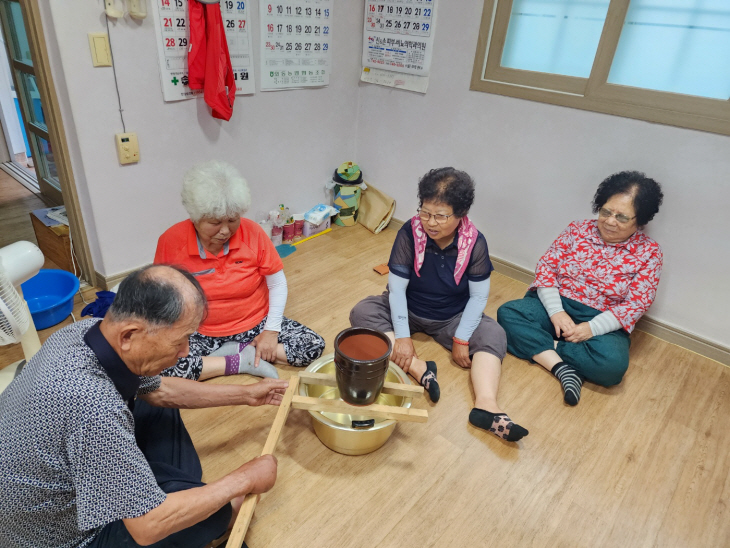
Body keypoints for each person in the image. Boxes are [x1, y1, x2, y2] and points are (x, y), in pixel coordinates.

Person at [0, 265, 289, 547]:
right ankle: (177, 495)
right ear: (129, 335)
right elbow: (147, 527)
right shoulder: (93, 405)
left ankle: (168, 489)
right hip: (61, 536)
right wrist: (244, 479)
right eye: (180, 340)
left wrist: (246, 394)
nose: (186, 352)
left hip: (51, 477)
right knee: (224, 510)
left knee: (152, 395)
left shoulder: (83, 331)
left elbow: (161, 390)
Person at [350, 168, 528, 442]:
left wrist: (462, 337)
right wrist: (403, 337)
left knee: (494, 333)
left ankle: (486, 406)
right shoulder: (410, 231)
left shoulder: (475, 243)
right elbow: (396, 289)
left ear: (460, 214)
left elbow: (479, 297)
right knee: (362, 311)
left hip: (451, 316)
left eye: (441, 216)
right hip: (408, 308)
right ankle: (419, 369)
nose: (430, 223)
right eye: (425, 212)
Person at [497, 171, 664, 406]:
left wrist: (592, 328)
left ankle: (548, 349)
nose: (610, 221)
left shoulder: (650, 253)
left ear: (641, 221)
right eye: (606, 211)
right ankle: (563, 369)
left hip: (603, 318)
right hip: (555, 303)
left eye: (622, 217)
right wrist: (556, 311)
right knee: (508, 313)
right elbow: (546, 268)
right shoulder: (577, 230)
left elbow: (636, 304)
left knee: (612, 367)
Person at [155, 160, 325, 381]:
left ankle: (236, 354)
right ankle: (238, 361)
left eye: (233, 220)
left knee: (313, 346)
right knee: (157, 366)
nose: (225, 231)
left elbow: (277, 283)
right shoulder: (171, 241)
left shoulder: (253, 233)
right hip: (201, 331)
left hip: (256, 324)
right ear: (195, 218)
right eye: (215, 222)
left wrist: (271, 332)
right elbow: (163, 295)